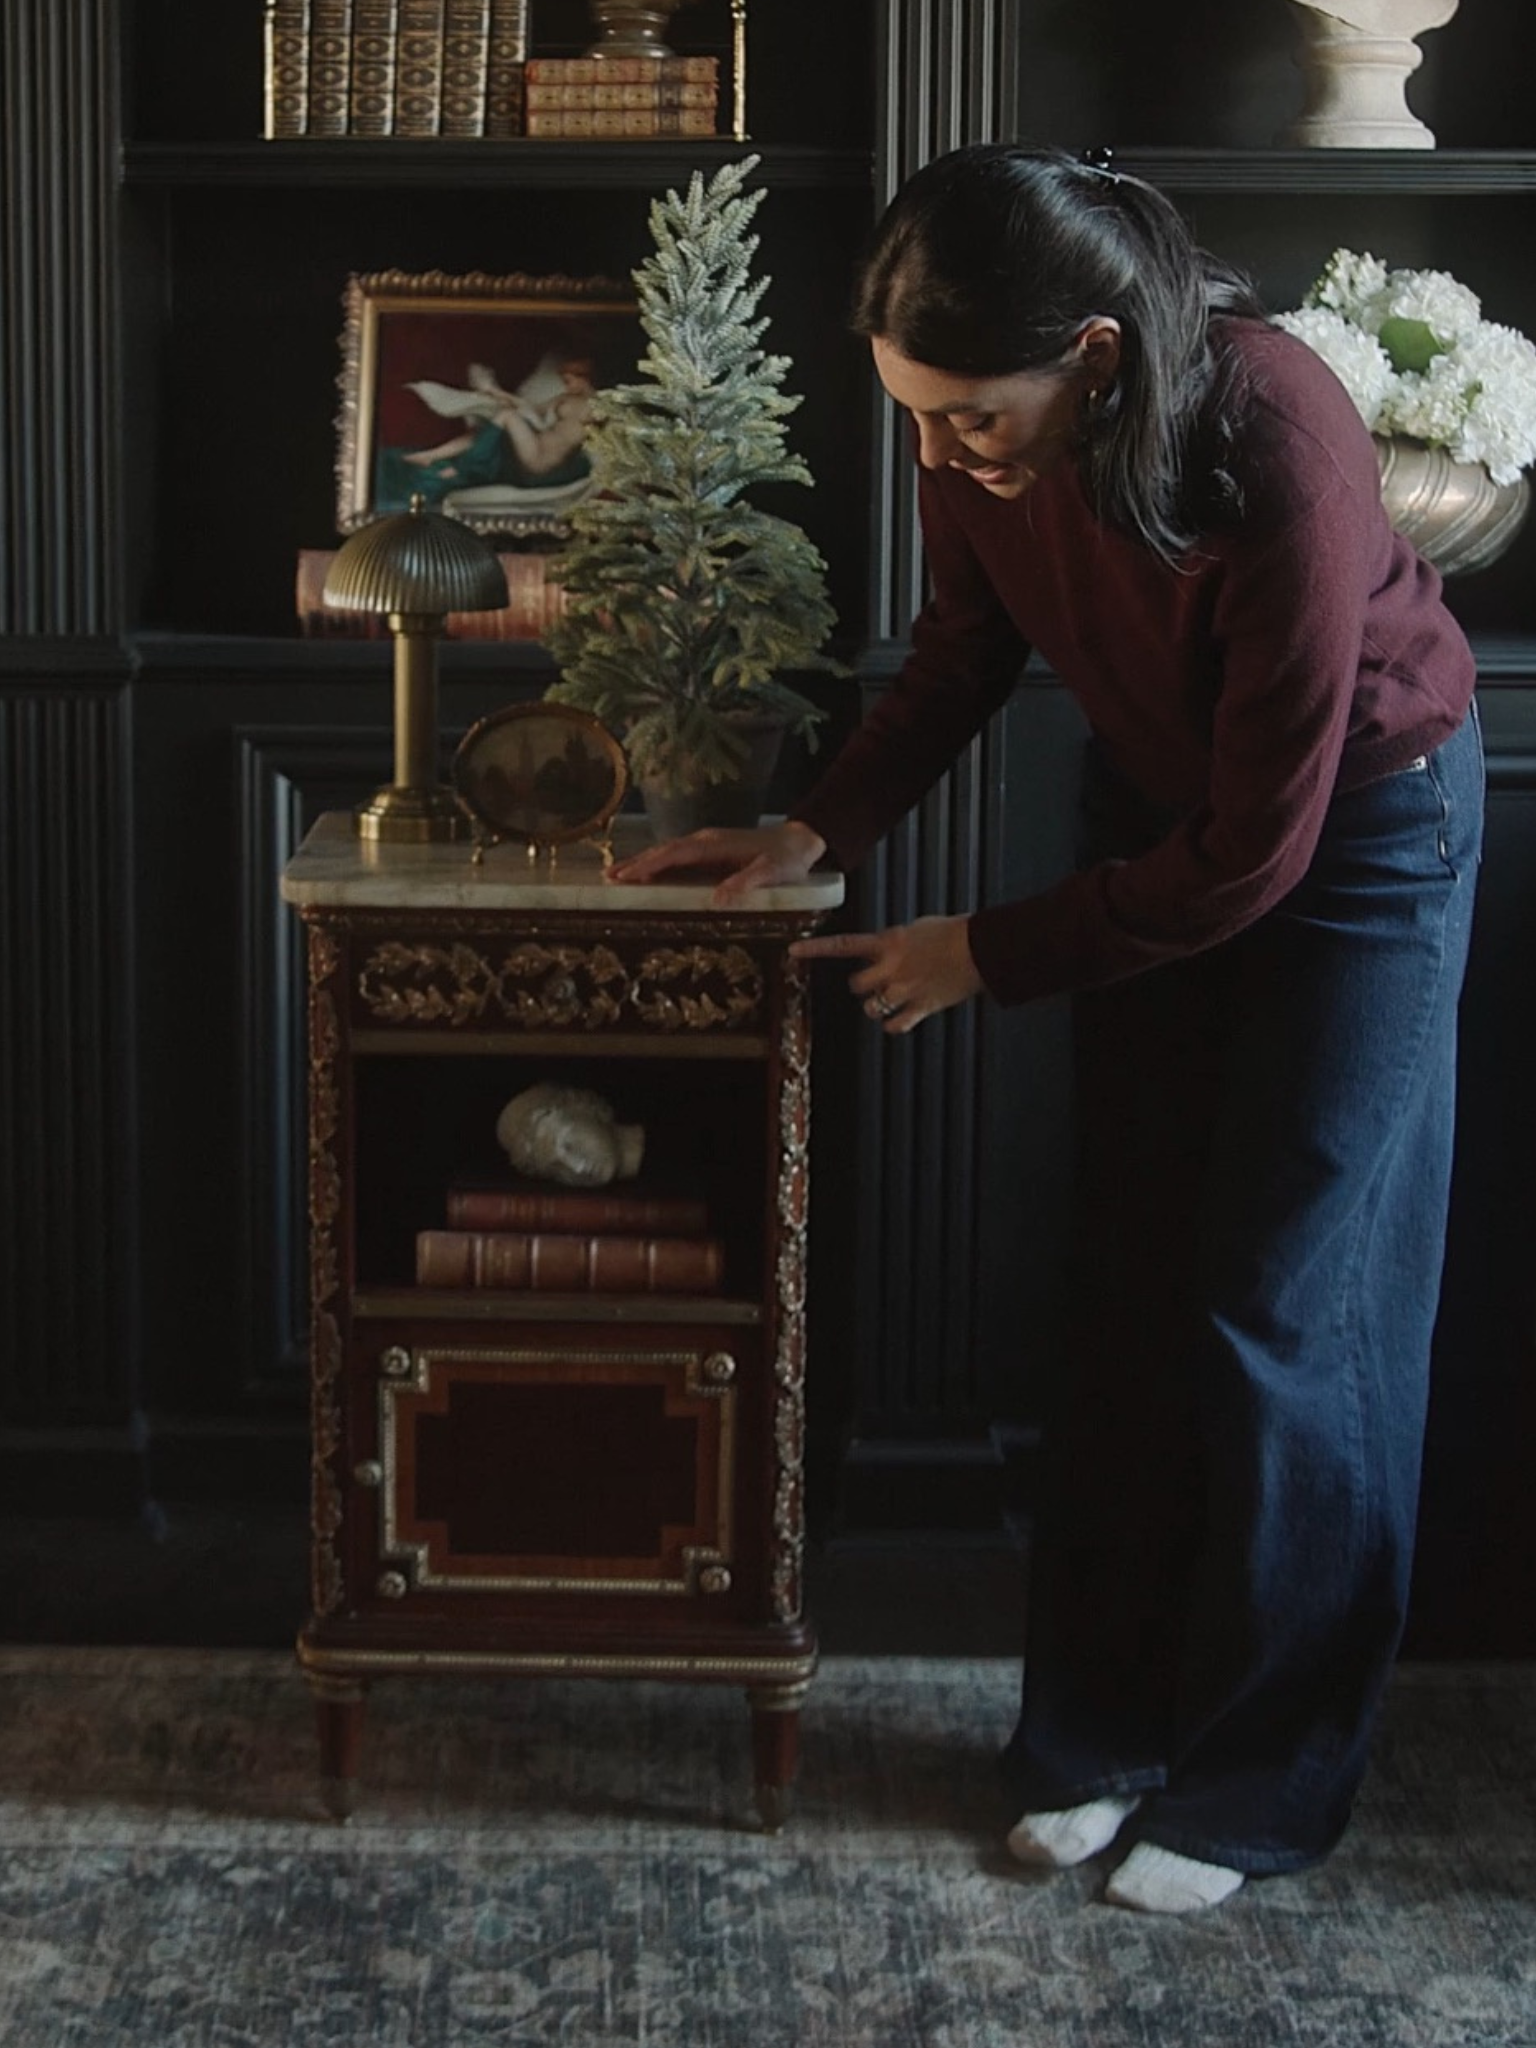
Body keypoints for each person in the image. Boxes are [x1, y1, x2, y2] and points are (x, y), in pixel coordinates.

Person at [607, 143, 1483, 1913]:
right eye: (916, 419)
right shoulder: (983, 435)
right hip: (1164, 828)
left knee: (1288, 1309)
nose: (942, 455)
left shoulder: (1280, 432)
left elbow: (1261, 847)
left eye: (969, 420)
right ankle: (1097, 1737)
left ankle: (1258, 1783)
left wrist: (984, 953)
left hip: (1361, 841)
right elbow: (956, 651)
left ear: (1094, 355)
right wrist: (814, 833)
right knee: (1133, 1280)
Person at [374, 356, 596, 509]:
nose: (566, 386)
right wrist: (494, 391)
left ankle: (458, 467)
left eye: (569, 381)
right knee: (493, 423)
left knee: (506, 416)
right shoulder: (565, 398)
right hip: (534, 443)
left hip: (540, 461)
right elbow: (530, 409)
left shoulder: (599, 408)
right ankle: (432, 456)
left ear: (584, 378)